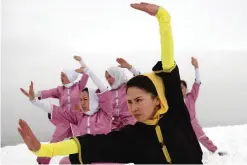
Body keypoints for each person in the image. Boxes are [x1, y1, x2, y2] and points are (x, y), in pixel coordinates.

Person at [18, 3, 203, 164]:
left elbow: (168, 63)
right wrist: (42, 150)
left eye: (138, 100)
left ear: (156, 99)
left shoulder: (175, 113)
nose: (133, 107)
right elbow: (91, 143)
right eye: (129, 102)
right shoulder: (132, 137)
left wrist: (163, 16)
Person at [20, 56, 89, 164]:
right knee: (56, 140)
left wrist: (81, 62)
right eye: (61, 75)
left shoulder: (79, 87)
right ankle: (43, 161)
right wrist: (34, 95)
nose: (61, 77)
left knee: (80, 142)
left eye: (63, 75)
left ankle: (82, 160)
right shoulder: (60, 90)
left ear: (70, 77)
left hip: (78, 119)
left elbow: (86, 72)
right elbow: (48, 92)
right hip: (64, 119)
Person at [181, 57, 227, 156]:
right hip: (182, 125)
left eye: (182, 87)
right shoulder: (175, 100)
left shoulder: (191, 96)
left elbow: (197, 82)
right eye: (178, 88)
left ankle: (215, 151)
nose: (181, 90)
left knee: (202, 138)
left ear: (185, 88)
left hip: (193, 124)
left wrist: (196, 67)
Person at [105, 58, 141, 130]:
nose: (108, 80)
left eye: (110, 76)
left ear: (116, 74)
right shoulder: (109, 93)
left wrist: (129, 67)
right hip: (115, 126)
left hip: (132, 123)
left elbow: (141, 79)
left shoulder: (129, 86)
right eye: (106, 78)